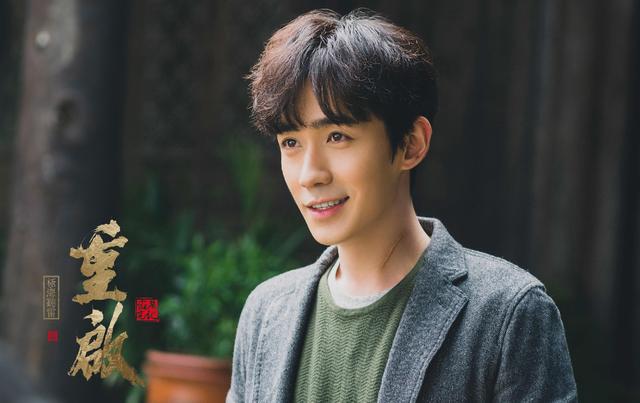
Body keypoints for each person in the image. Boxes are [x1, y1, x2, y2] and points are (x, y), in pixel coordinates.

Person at [227, 8, 578, 402]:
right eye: (290, 143)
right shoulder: (266, 313)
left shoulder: (507, 315)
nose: (310, 174)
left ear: (411, 144)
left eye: (338, 136)